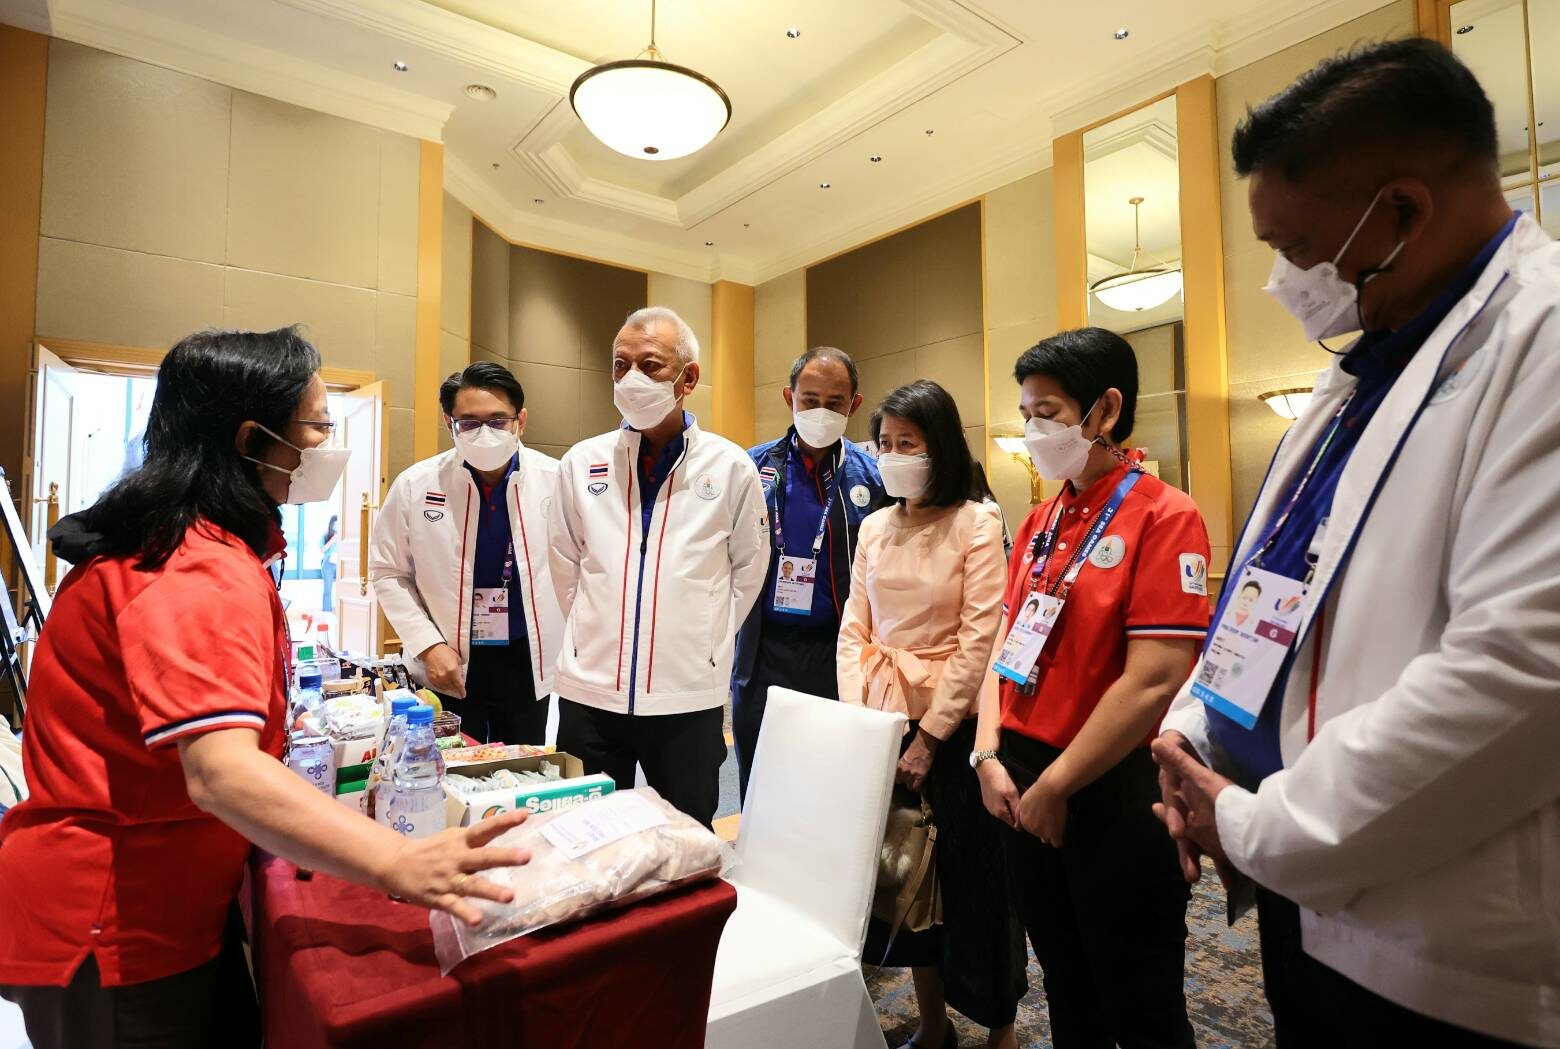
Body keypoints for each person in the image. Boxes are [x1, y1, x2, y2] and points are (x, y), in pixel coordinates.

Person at [1150, 39, 1560, 1049]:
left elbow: (1523, 668)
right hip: (1301, 892)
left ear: (1404, 210)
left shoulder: (1542, 336)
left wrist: (1256, 824)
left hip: (1439, 950)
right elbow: (1271, 580)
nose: (1285, 281)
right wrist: (1194, 732)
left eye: (1296, 248)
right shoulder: (1362, 367)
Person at [0, 328, 529, 1049]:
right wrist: (399, 860)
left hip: (164, 904)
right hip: (117, 921)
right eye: (317, 425)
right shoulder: (194, 564)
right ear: (254, 440)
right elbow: (221, 771)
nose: (327, 445)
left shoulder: (194, 542)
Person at [974, 328, 1211, 1049]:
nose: (1032, 431)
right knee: (1066, 985)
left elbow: (1154, 679)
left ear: (1105, 409)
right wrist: (986, 753)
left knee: (1140, 1002)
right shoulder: (1041, 520)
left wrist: (1058, 785)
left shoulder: (1166, 515)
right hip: (1021, 778)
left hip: (1112, 785)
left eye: (1047, 413)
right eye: (1025, 414)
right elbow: (1004, 644)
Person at [839, 380, 1025, 1049]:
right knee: (905, 883)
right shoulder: (873, 526)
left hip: (956, 732)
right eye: (884, 443)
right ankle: (932, 1022)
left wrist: (929, 738)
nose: (892, 455)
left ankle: (1001, 1028)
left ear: (939, 446)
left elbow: (980, 640)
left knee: (978, 886)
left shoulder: (977, 521)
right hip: (884, 723)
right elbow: (853, 628)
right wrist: (861, 723)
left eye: (907, 443)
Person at [549, 307, 768, 827]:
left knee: (688, 839)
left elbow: (747, 570)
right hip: (590, 694)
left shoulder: (730, 467)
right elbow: (564, 563)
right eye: (620, 365)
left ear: (687, 378)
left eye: (650, 365)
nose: (631, 379)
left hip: (686, 698)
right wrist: (596, 633)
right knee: (586, 837)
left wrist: (699, 640)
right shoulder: (581, 462)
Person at [371, 362, 562, 745]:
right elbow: (388, 572)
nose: (484, 433)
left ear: (521, 421)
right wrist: (428, 645)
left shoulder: (557, 481)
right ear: (449, 423)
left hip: (528, 659)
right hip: (447, 660)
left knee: (522, 765)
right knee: (447, 764)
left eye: (498, 420)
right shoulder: (416, 486)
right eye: (469, 423)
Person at [731, 345, 886, 802]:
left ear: (854, 405)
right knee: (761, 784)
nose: (821, 412)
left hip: (838, 655)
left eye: (835, 403)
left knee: (829, 787)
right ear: (789, 398)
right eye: (810, 400)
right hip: (762, 651)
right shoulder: (750, 468)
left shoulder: (873, 477)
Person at [320, 513, 339, 612]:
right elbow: (322, 550)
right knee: (328, 590)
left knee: (344, 587)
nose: (337, 526)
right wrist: (332, 541)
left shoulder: (343, 537)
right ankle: (327, 611)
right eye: (335, 524)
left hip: (339, 562)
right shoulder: (326, 535)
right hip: (328, 563)